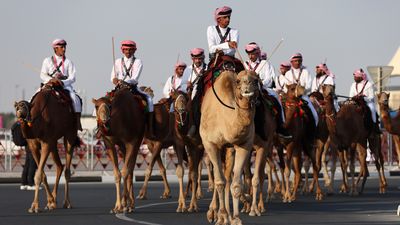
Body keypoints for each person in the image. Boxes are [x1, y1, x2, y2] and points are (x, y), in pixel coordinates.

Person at [243, 42, 290, 138]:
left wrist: (261, 83)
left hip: (263, 88)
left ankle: (281, 125)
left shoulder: (264, 63)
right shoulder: (244, 64)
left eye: (253, 54)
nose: (250, 56)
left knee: (276, 97)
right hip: (247, 90)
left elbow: (269, 79)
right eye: (249, 54)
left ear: (257, 53)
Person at [111, 40, 155, 136]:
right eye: (126, 49)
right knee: (104, 102)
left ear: (134, 50)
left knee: (149, 100)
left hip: (132, 88)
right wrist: (115, 80)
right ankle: (101, 128)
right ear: (122, 50)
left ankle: (149, 128)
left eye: (130, 50)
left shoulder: (138, 62)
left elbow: (135, 78)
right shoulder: (117, 61)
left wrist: (124, 82)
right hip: (119, 89)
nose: (128, 52)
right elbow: (112, 77)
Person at [40, 39, 82, 130]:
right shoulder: (47, 61)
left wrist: (63, 82)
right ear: (55, 49)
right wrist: (51, 80)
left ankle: (77, 121)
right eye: (61, 47)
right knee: (34, 96)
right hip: (49, 84)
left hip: (65, 85)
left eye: (64, 47)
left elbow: (73, 77)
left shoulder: (69, 62)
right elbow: (42, 74)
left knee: (75, 98)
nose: (64, 49)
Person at [284, 53, 319, 126]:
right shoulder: (288, 74)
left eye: (299, 61)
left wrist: (300, 91)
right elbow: (285, 87)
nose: (297, 63)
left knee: (314, 115)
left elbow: (309, 86)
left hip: (303, 97)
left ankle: (313, 131)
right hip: (291, 99)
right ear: (292, 62)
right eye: (296, 61)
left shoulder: (306, 72)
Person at [185, 48, 207, 138]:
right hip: (191, 94)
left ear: (203, 58)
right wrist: (187, 85)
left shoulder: (208, 67)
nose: (198, 61)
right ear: (192, 59)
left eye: (200, 58)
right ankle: (192, 126)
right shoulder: (188, 70)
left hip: (205, 93)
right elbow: (183, 84)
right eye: (196, 59)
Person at [349, 68, 379, 133]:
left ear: (360, 77)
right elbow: (350, 97)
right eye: (354, 76)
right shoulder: (353, 85)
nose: (354, 78)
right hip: (355, 103)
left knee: (372, 109)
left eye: (356, 77)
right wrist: (354, 98)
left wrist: (363, 97)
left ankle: (374, 127)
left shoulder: (369, 84)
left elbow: (371, 97)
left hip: (367, 103)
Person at [11, 121, 39, 191]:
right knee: (32, 164)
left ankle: (24, 183)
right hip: (31, 145)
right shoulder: (29, 122)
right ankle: (31, 184)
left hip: (27, 145)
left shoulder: (19, 122)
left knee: (27, 165)